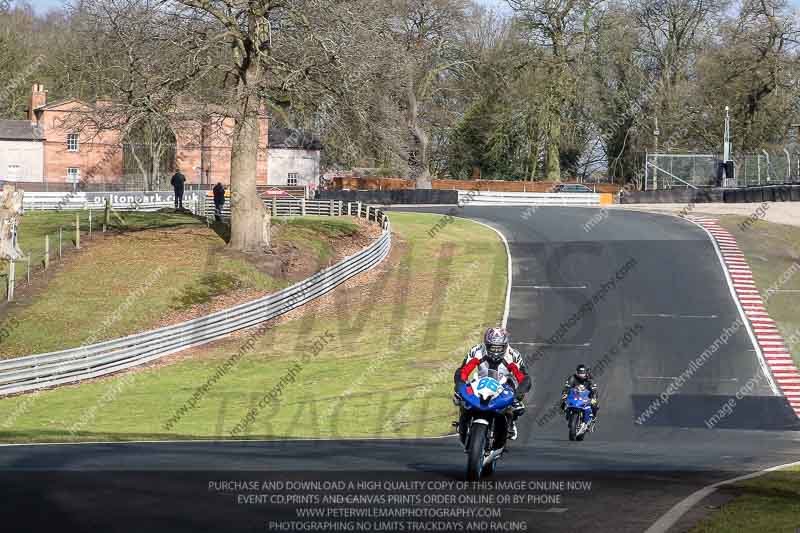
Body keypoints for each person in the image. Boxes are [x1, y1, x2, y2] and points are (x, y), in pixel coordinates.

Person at [453, 327, 531, 442]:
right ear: (486, 344)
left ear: (505, 345)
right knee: (459, 396)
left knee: (516, 402)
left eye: (499, 348)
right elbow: (463, 370)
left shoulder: (513, 355)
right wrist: (460, 384)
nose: (495, 351)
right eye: (492, 347)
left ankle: (510, 419)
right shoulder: (477, 351)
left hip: (504, 383)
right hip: (481, 381)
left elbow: (523, 377)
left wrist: (518, 393)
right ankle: (463, 421)